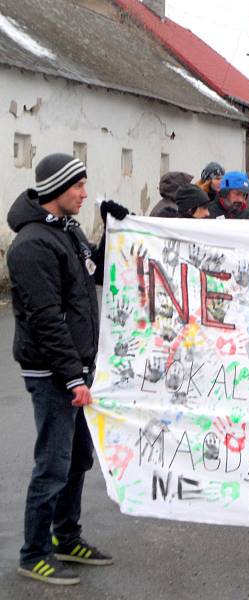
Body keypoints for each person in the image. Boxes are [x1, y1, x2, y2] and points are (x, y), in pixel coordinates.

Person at [7, 153, 128, 585]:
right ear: (56, 188)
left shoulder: (68, 231)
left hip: (77, 367)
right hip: (54, 373)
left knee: (78, 457)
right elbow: (45, 317)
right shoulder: (32, 244)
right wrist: (72, 376)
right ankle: (33, 552)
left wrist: (116, 229)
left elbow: (96, 272)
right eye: (77, 186)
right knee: (53, 463)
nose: (84, 192)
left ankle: (66, 536)